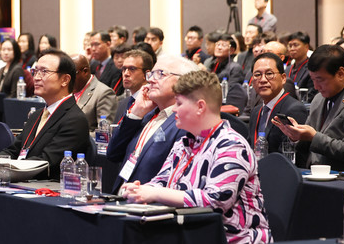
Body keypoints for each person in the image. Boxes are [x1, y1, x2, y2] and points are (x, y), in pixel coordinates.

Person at [122, 70, 271, 244]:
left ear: (200, 107)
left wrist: (155, 193)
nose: (174, 109)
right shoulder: (184, 143)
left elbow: (214, 201)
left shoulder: (232, 145)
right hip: (190, 234)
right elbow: (161, 181)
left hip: (234, 239)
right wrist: (140, 190)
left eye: (179, 103)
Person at [0, 49, 90, 179]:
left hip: (47, 186)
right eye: (35, 71)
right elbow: (14, 150)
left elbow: (46, 162)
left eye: (44, 72)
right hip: (22, 180)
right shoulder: (37, 115)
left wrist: (0, 166)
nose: (36, 77)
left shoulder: (74, 119)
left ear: (65, 80)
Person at [273, 44, 344, 171]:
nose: (316, 86)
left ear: (340, 73)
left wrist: (314, 137)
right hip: (312, 174)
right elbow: (309, 145)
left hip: (342, 178)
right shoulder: (319, 99)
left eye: (320, 80)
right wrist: (296, 136)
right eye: (313, 80)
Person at [106, 54, 194, 193]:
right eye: (151, 74)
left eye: (160, 74)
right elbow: (113, 153)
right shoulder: (146, 115)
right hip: (121, 197)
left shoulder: (185, 123)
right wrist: (136, 114)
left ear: (184, 82)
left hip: (150, 201)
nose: (151, 80)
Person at [248, 53, 307, 154]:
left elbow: (294, 153)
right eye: (257, 75)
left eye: (269, 74)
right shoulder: (256, 111)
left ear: (283, 78)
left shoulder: (294, 109)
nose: (263, 80)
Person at [71, 54, 117, 131]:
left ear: (85, 71)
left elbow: (105, 132)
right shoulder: (66, 91)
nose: (67, 78)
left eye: (72, 74)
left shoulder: (104, 93)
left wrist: (74, 136)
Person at [115, 49, 153, 123]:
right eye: (124, 69)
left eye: (132, 69)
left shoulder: (152, 104)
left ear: (146, 74)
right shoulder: (121, 104)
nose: (126, 73)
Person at [286, 31, 314, 102]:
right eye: (290, 46)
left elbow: (311, 95)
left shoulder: (312, 68)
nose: (292, 49)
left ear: (306, 47)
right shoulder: (287, 69)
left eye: (295, 45)